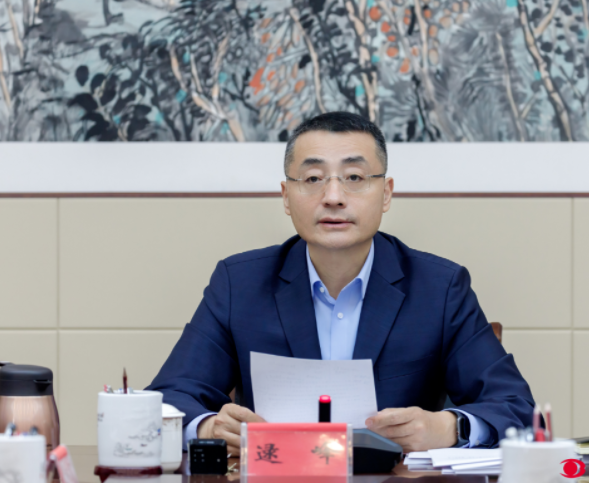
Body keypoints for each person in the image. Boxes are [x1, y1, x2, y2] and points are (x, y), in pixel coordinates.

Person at [147, 111, 535, 454]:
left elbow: (516, 408)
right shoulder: (239, 284)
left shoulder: (440, 288)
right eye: (313, 178)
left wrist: (448, 427)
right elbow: (167, 399)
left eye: (354, 178)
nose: (333, 196)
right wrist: (209, 428)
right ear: (286, 196)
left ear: (386, 194)